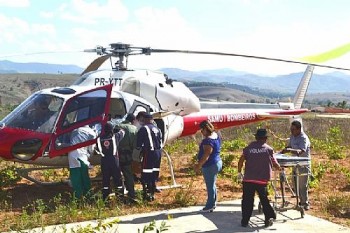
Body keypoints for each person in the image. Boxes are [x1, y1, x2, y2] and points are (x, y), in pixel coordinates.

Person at [238, 128, 281, 228]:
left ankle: (245, 221)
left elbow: (241, 160)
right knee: (264, 200)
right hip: (261, 180)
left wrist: (239, 172)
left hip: (248, 179)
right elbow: (274, 162)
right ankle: (268, 218)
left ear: (256, 138)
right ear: (265, 138)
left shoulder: (249, 148)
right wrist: (279, 168)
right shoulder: (268, 149)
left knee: (247, 201)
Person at [281, 120, 311, 210]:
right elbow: (289, 146)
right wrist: (283, 150)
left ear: (299, 129)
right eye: (291, 129)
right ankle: (299, 202)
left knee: (303, 185)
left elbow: (301, 151)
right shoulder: (292, 136)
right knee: (295, 184)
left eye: (293, 129)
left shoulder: (303, 138)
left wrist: (289, 150)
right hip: (294, 163)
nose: (291, 131)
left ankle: (305, 203)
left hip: (303, 164)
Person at [194, 120, 222, 212]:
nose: (201, 132)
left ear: (206, 129)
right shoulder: (216, 135)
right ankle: (213, 203)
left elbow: (206, 155)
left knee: (210, 186)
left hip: (210, 165)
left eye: (202, 130)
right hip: (217, 162)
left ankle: (209, 205)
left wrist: (198, 165)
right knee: (212, 184)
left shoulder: (207, 141)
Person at [96, 121, 125, 201]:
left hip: (104, 160)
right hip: (114, 160)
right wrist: (117, 129)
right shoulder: (115, 137)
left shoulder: (99, 139)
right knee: (117, 178)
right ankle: (120, 197)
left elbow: (97, 150)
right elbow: (123, 132)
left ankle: (105, 198)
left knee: (105, 179)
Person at [136, 113, 162, 201]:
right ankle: (153, 189)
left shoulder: (144, 129)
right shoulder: (157, 129)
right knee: (154, 171)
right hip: (158, 152)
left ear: (144, 119)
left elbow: (138, 144)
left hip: (149, 153)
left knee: (147, 172)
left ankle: (148, 193)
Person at [68, 124, 97, 199]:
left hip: (72, 155)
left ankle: (78, 197)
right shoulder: (92, 133)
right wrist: (90, 156)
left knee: (75, 177)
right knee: (84, 177)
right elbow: (91, 149)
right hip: (82, 156)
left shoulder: (75, 130)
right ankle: (88, 196)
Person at [117, 113, 138, 201]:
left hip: (117, 155)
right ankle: (131, 194)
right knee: (128, 175)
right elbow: (135, 145)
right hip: (128, 155)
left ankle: (119, 194)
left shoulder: (117, 126)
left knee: (117, 175)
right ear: (133, 121)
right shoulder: (133, 129)